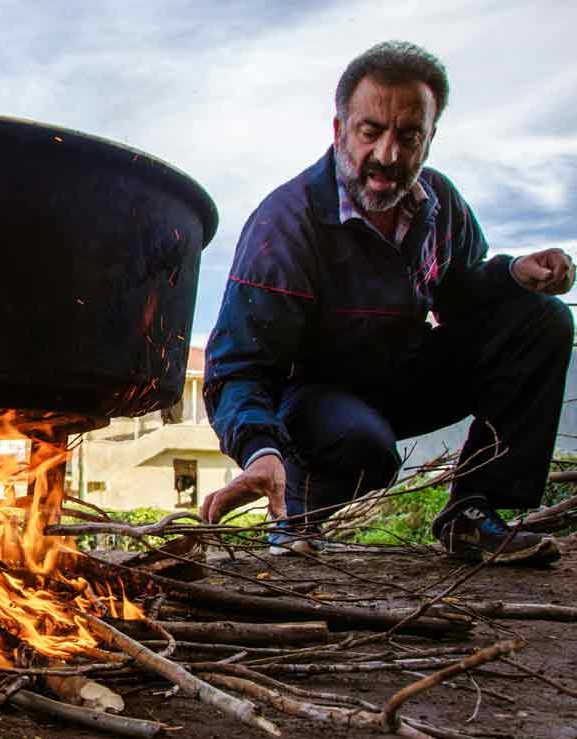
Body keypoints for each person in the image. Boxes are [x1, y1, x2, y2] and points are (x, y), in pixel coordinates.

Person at [201, 40, 574, 564]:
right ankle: (295, 517)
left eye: (408, 136)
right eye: (371, 132)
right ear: (338, 131)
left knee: (542, 320)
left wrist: (514, 274)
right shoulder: (287, 226)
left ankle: (474, 512)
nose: (388, 156)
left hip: (402, 372)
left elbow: (462, 299)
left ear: (430, 138)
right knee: (364, 446)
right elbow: (237, 366)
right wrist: (260, 450)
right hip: (314, 400)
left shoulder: (440, 205)